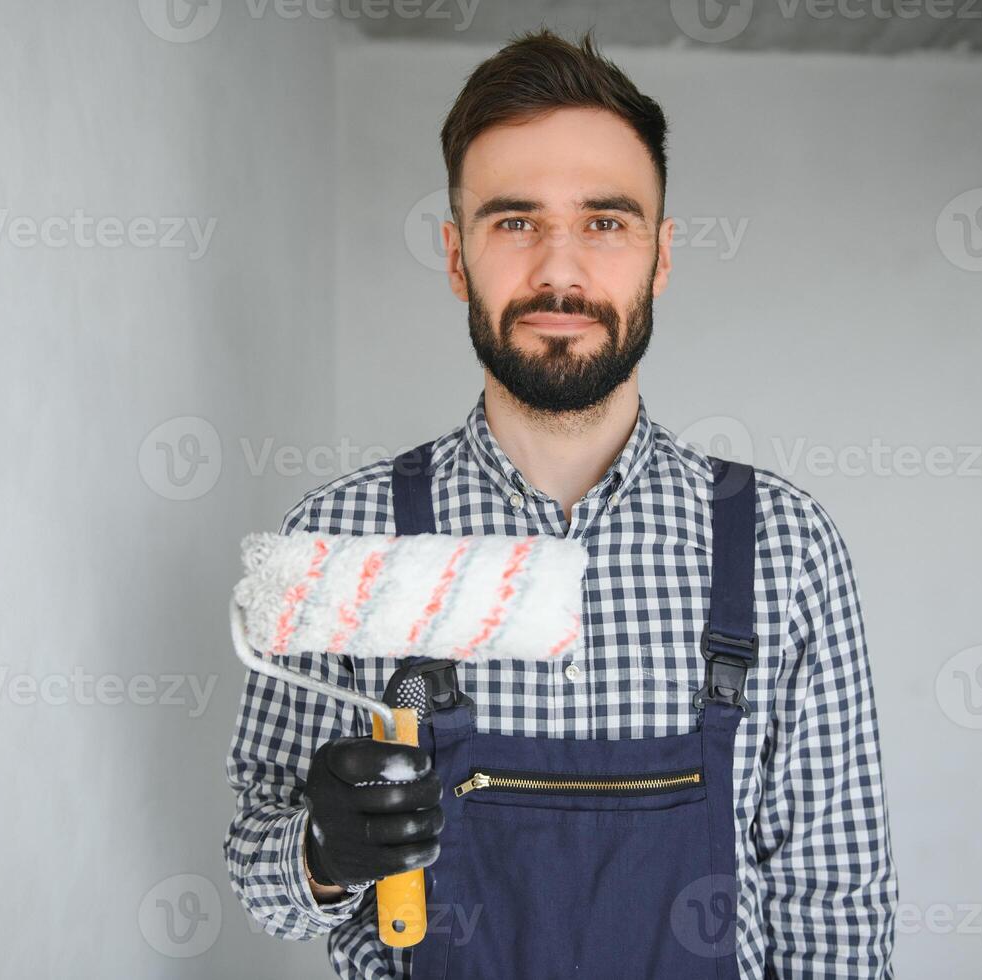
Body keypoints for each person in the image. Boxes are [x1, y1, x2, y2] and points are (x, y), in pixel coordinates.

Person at [224, 26, 897, 979]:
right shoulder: (345, 546)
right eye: (513, 221)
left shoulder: (784, 547)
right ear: (457, 257)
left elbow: (834, 903)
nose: (558, 271)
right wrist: (320, 855)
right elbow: (260, 872)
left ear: (660, 257)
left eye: (604, 222)